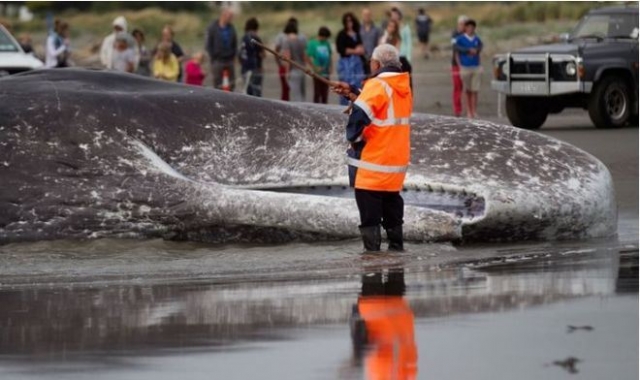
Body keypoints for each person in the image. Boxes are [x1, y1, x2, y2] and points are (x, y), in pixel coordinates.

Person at [332, 44, 412, 252]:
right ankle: (396, 259)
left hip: (372, 167)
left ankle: (372, 264)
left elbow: (358, 121)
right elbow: (382, 107)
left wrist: (354, 140)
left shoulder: (377, 85)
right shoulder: (403, 87)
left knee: (370, 221)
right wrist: (355, 92)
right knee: (393, 216)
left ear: (377, 63)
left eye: (371, 63)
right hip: (394, 168)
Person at [350, 269, 417, 379]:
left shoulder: (407, 374)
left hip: (394, 309)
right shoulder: (386, 374)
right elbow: (366, 345)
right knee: (376, 263)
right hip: (377, 309)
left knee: (393, 261)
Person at [336, 12, 366, 106]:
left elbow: (361, 48)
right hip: (346, 64)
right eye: (347, 21)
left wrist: (356, 51)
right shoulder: (341, 34)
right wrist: (354, 51)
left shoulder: (357, 34)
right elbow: (341, 50)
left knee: (357, 85)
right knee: (345, 86)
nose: (349, 23)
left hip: (357, 65)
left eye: (351, 21)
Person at [455, 19, 483, 119]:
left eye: (472, 27)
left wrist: (480, 65)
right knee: (467, 91)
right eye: (468, 26)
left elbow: (480, 51)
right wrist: (460, 66)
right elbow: (457, 53)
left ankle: (474, 111)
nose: (470, 28)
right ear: (465, 28)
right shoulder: (460, 39)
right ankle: (468, 111)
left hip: (475, 66)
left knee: (475, 90)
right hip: (465, 67)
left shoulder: (477, 39)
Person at [205, 6, 238, 91]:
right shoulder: (212, 27)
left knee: (232, 83)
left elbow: (235, 42)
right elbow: (208, 44)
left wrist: (234, 55)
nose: (231, 19)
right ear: (223, 15)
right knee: (217, 83)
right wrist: (213, 56)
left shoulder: (231, 28)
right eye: (229, 16)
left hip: (229, 59)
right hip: (217, 59)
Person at [281, 19, 307, 102]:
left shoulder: (287, 41)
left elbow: (287, 58)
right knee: (302, 94)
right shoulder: (300, 40)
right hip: (302, 69)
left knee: (297, 95)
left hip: (293, 70)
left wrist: (287, 72)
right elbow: (304, 56)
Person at [306, 26, 332, 104]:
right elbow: (308, 56)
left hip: (326, 72)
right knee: (317, 93)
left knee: (325, 93)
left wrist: (331, 66)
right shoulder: (312, 43)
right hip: (317, 73)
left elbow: (329, 55)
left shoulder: (327, 43)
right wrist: (314, 66)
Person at [239, 17, 264, 97]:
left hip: (244, 68)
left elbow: (239, 54)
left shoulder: (243, 38)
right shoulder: (255, 38)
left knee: (247, 93)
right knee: (256, 93)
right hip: (255, 68)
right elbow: (262, 54)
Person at [450, 15, 468, 117]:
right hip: (456, 64)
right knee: (457, 87)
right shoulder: (454, 34)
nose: (463, 26)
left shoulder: (469, 35)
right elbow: (455, 47)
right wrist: (466, 50)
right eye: (461, 24)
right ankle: (457, 110)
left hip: (468, 64)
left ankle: (468, 110)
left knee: (468, 88)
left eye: (464, 24)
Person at [390, 7, 412, 78]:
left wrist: (408, 58)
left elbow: (409, 43)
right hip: (394, 57)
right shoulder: (391, 28)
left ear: (399, 15)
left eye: (394, 14)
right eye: (392, 15)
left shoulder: (405, 28)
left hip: (403, 56)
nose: (393, 16)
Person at [359, 8, 381, 75]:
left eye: (368, 15)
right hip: (361, 59)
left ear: (371, 16)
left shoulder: (376, 29)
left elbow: (378, 43)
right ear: (362, 15)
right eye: (365, 15)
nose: (366, 16)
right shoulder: (358, 29)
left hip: (373, 59)